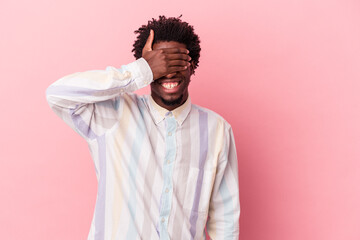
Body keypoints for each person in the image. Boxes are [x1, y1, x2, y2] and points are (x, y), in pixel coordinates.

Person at [46, 15, 240, 240]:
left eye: (177, 62)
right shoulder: (113, 115)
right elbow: (57, 95)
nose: (169, 73)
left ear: (192, 65)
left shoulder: (218, 131)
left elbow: (225, 219)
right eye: (161, 64)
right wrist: (141, 71)